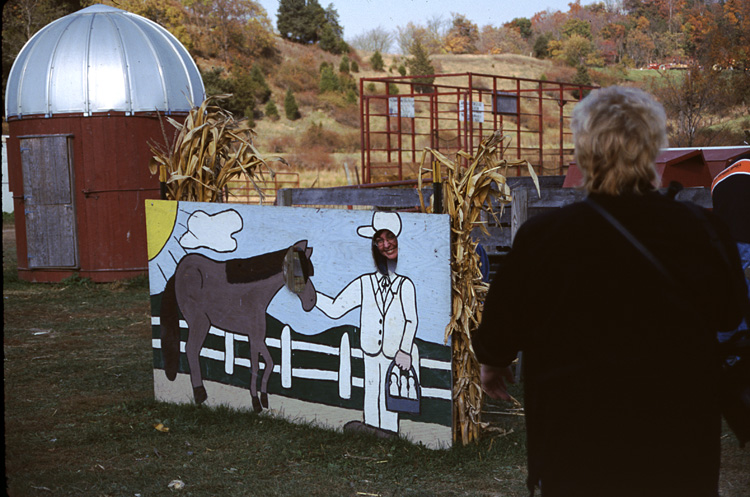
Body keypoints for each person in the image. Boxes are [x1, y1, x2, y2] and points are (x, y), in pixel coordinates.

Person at [472, 86, 748, 497]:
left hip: (576, 442)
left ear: (584, 152)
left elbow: (500, 326)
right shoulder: (702, 230)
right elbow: (730, 316)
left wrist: (493, 363)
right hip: (679, 439)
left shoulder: (544, 236)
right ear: (654, 148)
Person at [315, 211, 418, 437]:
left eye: (389, 237)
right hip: (371, 348)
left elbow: (412, 319)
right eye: (379, 240)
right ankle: (372, 428)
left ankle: (389, 431)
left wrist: (405, 350)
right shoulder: (365, 282)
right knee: (372, 388)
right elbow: (335, 307)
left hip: (393, 351)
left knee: (392, 391)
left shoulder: (404, 284)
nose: (386, 244)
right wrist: (310, 294)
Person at [711, 158, 750, 343]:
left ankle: (726, 350)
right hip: (745, 242)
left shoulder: (723, 175)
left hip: (722, 243)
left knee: (729, 296)